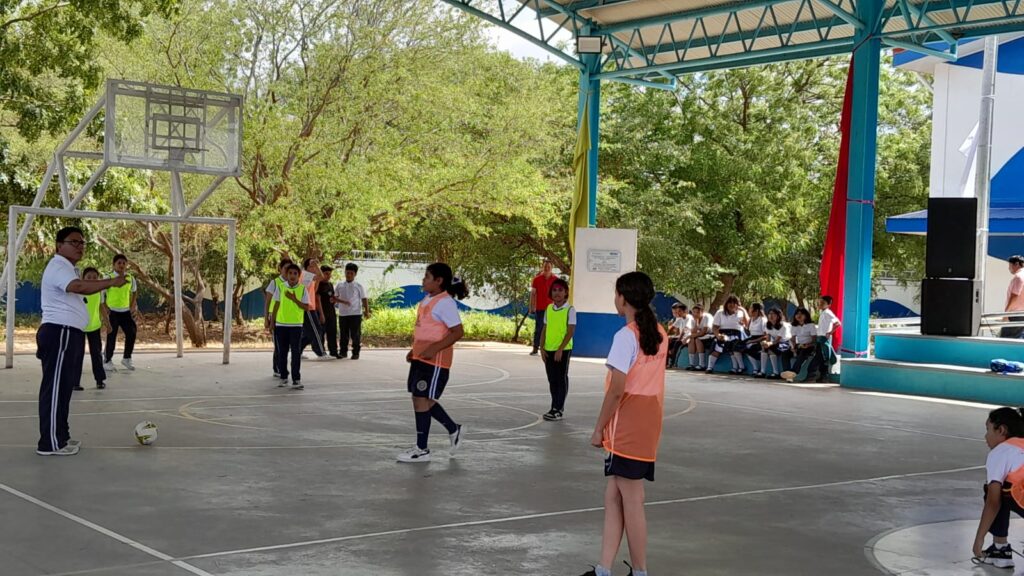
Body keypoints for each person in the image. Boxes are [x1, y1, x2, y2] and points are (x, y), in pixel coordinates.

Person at [580, 271, 666, 576]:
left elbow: (617, 390)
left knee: (632, 499)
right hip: (649, 420)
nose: (615, 299)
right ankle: (604, 569)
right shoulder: (659, 332)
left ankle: (640, 571)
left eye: (616, 294)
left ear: (624, 298)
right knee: (614, 496)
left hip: (626, 424)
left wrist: (598, 428)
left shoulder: (625, 336)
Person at [36, 227, 126, 456]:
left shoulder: (69, 268)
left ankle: (61, 437)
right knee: (55, 388)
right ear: (59, 245)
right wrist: (111, 282)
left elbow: (80, 288)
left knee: (64, 388)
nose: (79, 246)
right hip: (60, 331)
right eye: (73, 242)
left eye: (82, 242)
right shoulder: (58, 266)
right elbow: (78, 287)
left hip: (70, 333)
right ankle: (50, 443)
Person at [398, 263, 468, 463]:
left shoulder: (445, 303)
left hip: (435, 361)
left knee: (422, 399)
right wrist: (415, 350)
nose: (423, 280)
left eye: (427, 277)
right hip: (421, 358)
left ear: (439, 281)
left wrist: (434, 349)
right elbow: (425, 329)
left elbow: (457, 332)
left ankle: (422, 449)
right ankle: (453, 429)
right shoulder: (428, 299)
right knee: (420, 399)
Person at [971, 407, 1024, 568]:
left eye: (988, 429)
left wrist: (979, 538)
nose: (985, 436)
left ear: (1001, 430)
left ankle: (1000, 550)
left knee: (997, 491)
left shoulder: (1001, 452)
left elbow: (993, 502)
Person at [539, 278, 576, 421]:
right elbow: (545, 329)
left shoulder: (570, 310)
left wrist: (560, 349)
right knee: (552, 379)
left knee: (561, 378)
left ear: (566, 292)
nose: (557, 293)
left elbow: (570, 331)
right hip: (549, 349)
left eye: (560, 290)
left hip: (563, 350)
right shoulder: (549, 309)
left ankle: (559, 409)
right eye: (554, 290)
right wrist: (542, 347)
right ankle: (553, 406)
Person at [270, 263, 309, 390]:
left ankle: (296, 379)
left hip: (296, 325)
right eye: (290, 273)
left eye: (295, 273)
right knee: (282, 352)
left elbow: (306, 307)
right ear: (286, 275)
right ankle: (283, 377)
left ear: (299, 276)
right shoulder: (281, 287)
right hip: (281, 325)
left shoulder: (302, 289)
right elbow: (276, 304)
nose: (292, 276)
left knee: (296, 352)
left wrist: (294, 299)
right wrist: (272, 322)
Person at [102, 254, 138, 372]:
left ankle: (127, 358)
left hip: (125, 311)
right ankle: (107, 360)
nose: (121, 265)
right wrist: (105, 306)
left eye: (124, 263)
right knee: (111, 335)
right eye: (119, 263)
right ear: (114, 265)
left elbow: (134, 292)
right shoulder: (108, 277)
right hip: (112, 312)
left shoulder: (130, 278)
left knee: (132, 332)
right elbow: (101, 293)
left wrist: (132, 305)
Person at [79, 267, 107, 391]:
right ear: (83, 278)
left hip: (94, 327)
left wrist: (107, 322)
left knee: (96, 354)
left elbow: (101, 306)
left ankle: (100, 380)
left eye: (95, 277)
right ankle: (75, 382)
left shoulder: (99, 291)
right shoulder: (78, 291)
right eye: (89, 277)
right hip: (79, 327)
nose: (92, 279)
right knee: (77, 355)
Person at [335, 263, 370, 359]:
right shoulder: (339, 285)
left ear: (355, 274)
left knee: (356, 334)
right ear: (345, 272)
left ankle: (355, 352)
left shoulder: (359, 286)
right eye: (347, 273)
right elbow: (335, 297)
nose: (349, 275)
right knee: (343, 334)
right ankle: (343, 352)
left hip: (355, 313)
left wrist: (366, 311)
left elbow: (364, 299)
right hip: (343, 314)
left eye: (351, 273)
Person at [264, 258, 292, 377]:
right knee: (279, 345)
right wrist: (266, 318)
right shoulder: (274, 283)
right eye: (285, 268)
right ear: (280, 269)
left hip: (289, 319)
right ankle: (278, 368)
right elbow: (268, 301)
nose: (287, 271)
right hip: (276, 318)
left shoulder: (293, 283)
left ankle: (280, 367)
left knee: (287, 345)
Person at [706, 295, 748, 374]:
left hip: (737, 335)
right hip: (723, 334)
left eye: (734, 303)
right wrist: (718, 336)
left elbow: (748, 324)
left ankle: (738, 367)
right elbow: (714, 327)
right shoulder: (720, 313)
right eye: (730, 303)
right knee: (716, 345)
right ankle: (710, 367)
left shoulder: (740, 313)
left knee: (734, 345)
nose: (732, 305)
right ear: (726, 304)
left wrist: (743, 310)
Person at [298, 257, 329, 360]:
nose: (314, 268)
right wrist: (316, 266)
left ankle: (297, 351)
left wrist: (316, 268)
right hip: (307, 307)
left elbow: (314, 290)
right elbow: (321, 276)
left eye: (314, 266)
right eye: (311, 266)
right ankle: (321, 353)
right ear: (306, 267)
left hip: (310, 306)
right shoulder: (305, 274)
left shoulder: (309, 277)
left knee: (308, 333)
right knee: (316, 329)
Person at [529, 260, 557, 356]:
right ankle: (535, 348)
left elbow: (558, 295)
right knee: (539, 328)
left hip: (552, 309)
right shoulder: (536, 279)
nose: (547, 268)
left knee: (550, 329)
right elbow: (533, 294)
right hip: (540, 308)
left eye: (549, 266)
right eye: (545, 266)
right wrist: (531, 306)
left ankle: (548, 348)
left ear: (552, 268)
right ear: (542, 267)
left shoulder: (555, 280)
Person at [782, 307, 817, 382]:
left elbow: (814, 340)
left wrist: (808, 345)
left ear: (806, 316)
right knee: (785, 353)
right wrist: (793, 347)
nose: (799, 316)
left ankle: (793, 372)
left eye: (801, 314)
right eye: (797, 314)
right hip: (799, 345)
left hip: (809, 347)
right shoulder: (794, 326)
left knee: (803, 354)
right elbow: (793, 339)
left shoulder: (811, 325)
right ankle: (787, 372)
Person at [814, 295, 841, 383]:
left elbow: (837, 323)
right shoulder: (823, 312)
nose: (820, 304)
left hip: (823, 337)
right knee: (820, 356)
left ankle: (824, 375)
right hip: (820, 337)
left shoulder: (828, 312)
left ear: (829, 304)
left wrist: (830, 332)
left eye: (823, 303)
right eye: (820, 302)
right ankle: (821, 375)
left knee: (825, 356)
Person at [761, 307, 792, 379]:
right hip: (776, 343)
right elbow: (768, 338)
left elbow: (777, 340)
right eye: (769, 314)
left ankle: (776, 372)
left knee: (771, 348)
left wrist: (769, 344)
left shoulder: (783, 326)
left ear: (778, 316)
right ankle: (762, 371)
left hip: (786, 343)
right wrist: (765, 343)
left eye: (773, 314)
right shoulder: (768, 325)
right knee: (764, 348)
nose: (771, 316)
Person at [317, 265, 338, 358]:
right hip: (322, 312)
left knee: (332, 332)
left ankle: (334, 352)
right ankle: (321, 352)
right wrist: (321, 314)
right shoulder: (318, 284)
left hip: (331, 312)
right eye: (326, 274)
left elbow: (331, 296)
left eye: (329, 274)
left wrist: (334, 300)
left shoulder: (330, 284)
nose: (328, 276)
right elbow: (317, 299)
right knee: (321, 333)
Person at [686, 304, 714, 371]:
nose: (695, 314)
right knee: (691, 340)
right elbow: (693, 332)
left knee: (697, 340)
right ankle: (692, 364)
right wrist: (696, 322)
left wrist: (688, 336)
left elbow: (704, 332)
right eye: (694, 312)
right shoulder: (693, 319)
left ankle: (702, 364)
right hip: (702, 335)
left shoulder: (707, 317)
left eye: (698, 312)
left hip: (711, 335)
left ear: (702, 312)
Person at [1001, 255, 1024, 339]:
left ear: (1016, 264)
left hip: (1015, 315)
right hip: (1021, 314)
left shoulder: (1019, 277)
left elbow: (1014, 296)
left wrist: (1006, 314)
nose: (1009, 268)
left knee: (1006, 340)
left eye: (1010, 265)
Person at [743, 303, 767, 376]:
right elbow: (749, 332)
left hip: (760, 339)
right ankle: (755, 368)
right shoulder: (751, 320)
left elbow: (765, 335)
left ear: (756, 310)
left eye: (751, 308)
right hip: (752, 338)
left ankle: (759, 367)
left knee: (750, 348)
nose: (749, 310)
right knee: (740, 346)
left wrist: (753, 341)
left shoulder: (763, 320)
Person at [665, 303, 689, 369]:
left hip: (687, 337)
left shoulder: (689, 318)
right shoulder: (679, 318)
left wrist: (678, 339)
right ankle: (665, 363)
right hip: (680, 337)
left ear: (685, 311)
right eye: (676, 312)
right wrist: (665, 336)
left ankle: (672, 363)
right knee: (667, 341)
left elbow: (684, 331)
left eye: (679, 311)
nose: (678, 313)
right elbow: (672, 328)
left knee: (676, 343)